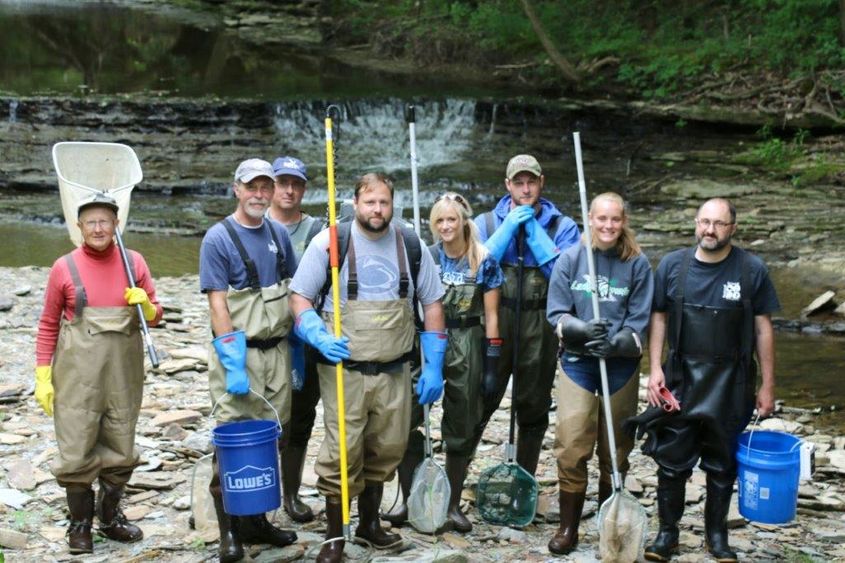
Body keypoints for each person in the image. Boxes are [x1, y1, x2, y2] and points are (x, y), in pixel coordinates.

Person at [290, 172, 446, 563]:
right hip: (345, 371)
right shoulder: (330, 242)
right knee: (343, 451)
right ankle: (333, 537)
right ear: (355, 203)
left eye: (384, 203)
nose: (377, 210)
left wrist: (435, 365)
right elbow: (299, 297)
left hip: (396, 369)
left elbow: (432, 304)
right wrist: (314, 331)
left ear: (393, 205)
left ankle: (369, 523)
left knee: (387, 448)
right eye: (370, 202)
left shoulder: (410, 244)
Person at [643, 197, 779, 563]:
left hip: (732, 381)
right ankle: (667, 534)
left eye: (719, 224)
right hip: (680, 379)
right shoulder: (673, 265)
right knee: (671, 462)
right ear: (695, 223)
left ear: (733, 228)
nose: (710, 230)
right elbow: (658, 318)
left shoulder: (751, 270)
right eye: (704, 222)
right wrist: (654, 367)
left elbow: (763, 330)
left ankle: (716, 537)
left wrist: (767, 385)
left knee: (722, 464)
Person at [35, 192, 163, 554]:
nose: (98, 228)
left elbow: (158, 313)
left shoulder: (133, 261)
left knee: (121, 444)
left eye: (104, 221)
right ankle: (80, 527)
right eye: (90, 222)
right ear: (78, 227)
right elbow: (47, 324)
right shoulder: (64, 267)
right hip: (77, 379)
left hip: (123, 376)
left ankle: (110, 518)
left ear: (116, 224)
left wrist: (147, 306)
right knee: (76, 450)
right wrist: (42, 374)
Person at [383, 192, 504, 532]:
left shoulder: (484, 260)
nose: (446, 226)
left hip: (468, 340)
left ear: (464, 221)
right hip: (428, 339)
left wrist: (492, 364)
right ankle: (411, 499)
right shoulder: (426, 256)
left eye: (452, 219)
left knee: (462, 423)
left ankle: (450, 505)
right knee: (407, 416)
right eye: (439, 221)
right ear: (432, 225)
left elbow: (492, 316)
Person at [199, 158, 299, 563]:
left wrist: (300, 349)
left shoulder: (278, 234)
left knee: (273, 438)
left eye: (266, 187)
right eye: (251, 187)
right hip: (238, 355)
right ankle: (229, 533)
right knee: (232, 442)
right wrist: (232, 361)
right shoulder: (217, 238)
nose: (260, 194)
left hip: (277, 351)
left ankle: (257, 521)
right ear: (236, 189)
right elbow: (218, 303)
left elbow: (294, 292)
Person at [545, 192, 654, 554]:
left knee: (615, 448)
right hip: (578, 363)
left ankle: (609, 523)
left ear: (624, 222)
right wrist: (578, 329)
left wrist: (618, 343)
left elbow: (640, 320)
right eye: (601, 219)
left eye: (615, 219)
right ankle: (568, 528)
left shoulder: (637, 264)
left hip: (620, 366)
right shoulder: (571, 258)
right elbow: (556, 313)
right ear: (589, 218)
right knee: (572, 443)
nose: (608, 226)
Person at [473, 154, 581, 478]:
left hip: (541, 324)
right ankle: (455, 478)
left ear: (541, 182)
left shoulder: (563, 227)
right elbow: (476, 269)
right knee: (480, 399)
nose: (525, 189)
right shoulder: (486, 224)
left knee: (533, 406)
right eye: (518, 182)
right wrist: (508, 229)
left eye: (530, 181)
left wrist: (533, 232)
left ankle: (524, 479)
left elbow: (564, 279)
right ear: (507, 186)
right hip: (495, 319)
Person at [267, 155, 325, 522]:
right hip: (264, 339)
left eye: (297, 183)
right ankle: (258, 496)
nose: (289, 190)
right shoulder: (252, 226)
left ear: (304, 188)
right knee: (263, 419)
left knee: (301, 418)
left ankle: (290, 495)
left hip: (305, 341)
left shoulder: (319, 230)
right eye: (282, 182)